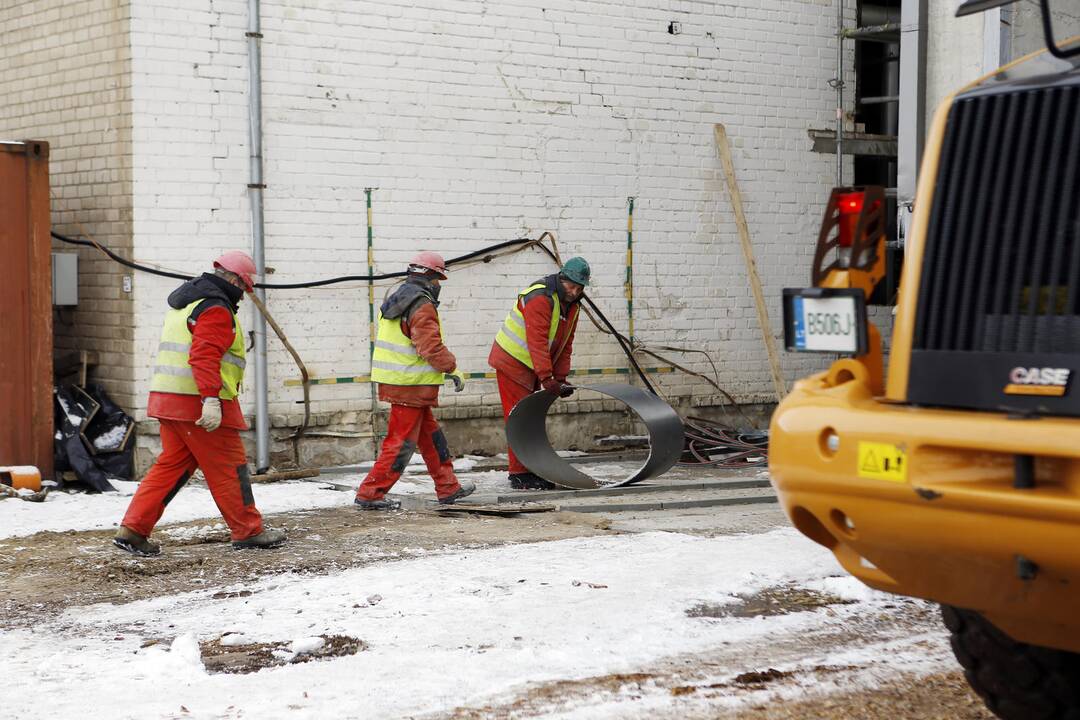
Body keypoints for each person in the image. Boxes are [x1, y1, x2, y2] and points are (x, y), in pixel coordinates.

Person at [113, 251, 287, 556]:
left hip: (169, 400)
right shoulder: (216, 309)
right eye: (244, 287)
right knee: (230, 469)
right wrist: (210, 400)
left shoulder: (187, 303)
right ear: (233, 280)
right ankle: (248, 531)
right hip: (198, 405)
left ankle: (133, 529)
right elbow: (203, 357)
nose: (244, 296)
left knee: (171, 466)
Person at [354, 252, 476, 510]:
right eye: (439, 279)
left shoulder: (396, 297)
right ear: (431, 278)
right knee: (399, 443)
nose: (439, 286)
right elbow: (429, 346)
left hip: (403, 383)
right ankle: (370, 493)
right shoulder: (421, 304)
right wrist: (452, 367)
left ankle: (448, 487)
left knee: (432, 438)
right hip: (409, 385)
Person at [488, 257, 590, 489]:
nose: (574, 292)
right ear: (561, 278)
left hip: (532, 365)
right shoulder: (540, 298)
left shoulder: (572, 305)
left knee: (529, 418)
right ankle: (519, 474)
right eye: (570, 286)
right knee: (519, 419)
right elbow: (537, 342)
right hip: (512, 362)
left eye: (579, 288)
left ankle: (529, 468)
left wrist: (560, 378)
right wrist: (547, 378)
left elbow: (565, 344)